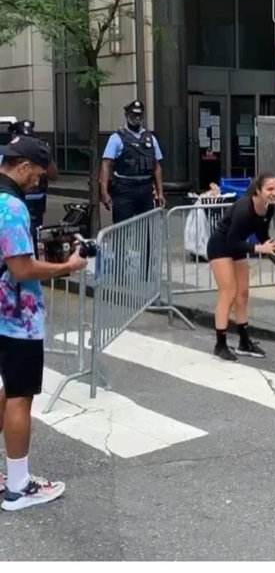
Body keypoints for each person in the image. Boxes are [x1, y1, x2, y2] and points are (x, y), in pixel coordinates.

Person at [0, 135, 87, 510]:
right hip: (16, 316)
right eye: (36, 173)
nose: (38, 180)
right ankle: (18, 487)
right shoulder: (12, 206)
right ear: (21, 167)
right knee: (20, 394)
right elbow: (21, 268)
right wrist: (67, 266)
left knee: (5, 389)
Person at [205, 172, 275, 360]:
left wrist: (272, 245)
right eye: (270, 189)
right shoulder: (243, 208)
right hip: (221, 246)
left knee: (243, 293)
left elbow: (262, 233)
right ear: (258, 190)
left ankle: (244, 342)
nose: (274, 193)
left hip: (239, 245)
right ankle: (220, 344)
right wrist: (259, 248)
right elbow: (231, 241)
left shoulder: (268, 208)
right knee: (228, 292)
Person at [99, 100, 165, 224]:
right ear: (127, 115)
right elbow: (106, 164)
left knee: (145, 232)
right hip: (124, 190)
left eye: (139, 115)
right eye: (134, 114)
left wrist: (160, 193)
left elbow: (157, 167)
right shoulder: (116, 138)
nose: (137, 117)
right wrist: (104, 192)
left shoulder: (151, 138)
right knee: (123, 231)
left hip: (145, 189)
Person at [7, 121, 58, 253]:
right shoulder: (8, 155)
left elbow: (53, 175)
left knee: (34, 236)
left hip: (36, 201)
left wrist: (46, 155)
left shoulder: (38, 153)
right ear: (14, 137)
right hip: (15, 200)